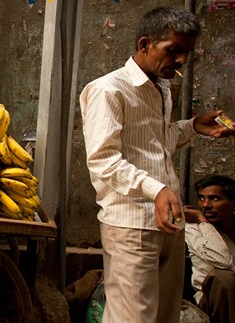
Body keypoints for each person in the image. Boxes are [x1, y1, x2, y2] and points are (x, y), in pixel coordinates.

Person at [79, 6, 234, 323]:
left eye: (186, 53)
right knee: (131, 318)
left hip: (169, 227)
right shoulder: (108, 90)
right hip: (131, 226)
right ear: (145, 44)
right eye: (173, 51)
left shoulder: (161, 88)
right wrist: (157, 189)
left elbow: (153, 145)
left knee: (164, 315)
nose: (180, 61)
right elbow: (103, 160)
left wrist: (192, 127)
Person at [184, 175, 235, 323]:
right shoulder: (194, 228)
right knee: (223, 278)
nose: (205, 205)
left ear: (232, 203)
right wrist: (203, 221)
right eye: (201, 198)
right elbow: (223, 261)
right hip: (212, 302)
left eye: (215, 199)